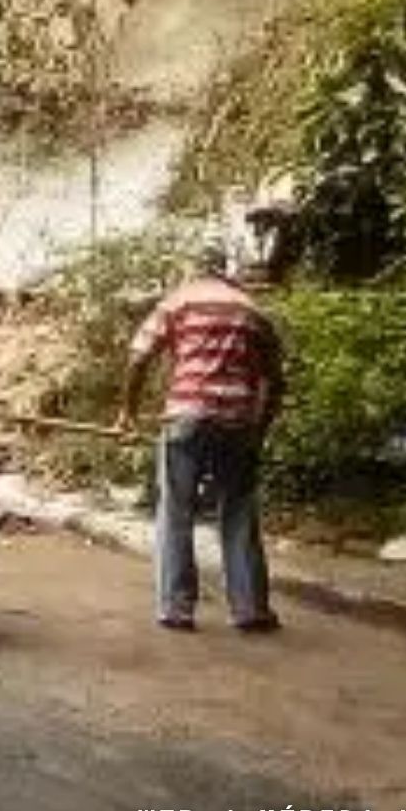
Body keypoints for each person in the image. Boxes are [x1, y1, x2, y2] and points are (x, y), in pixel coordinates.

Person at [116, 239, 285, 632]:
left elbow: (139, 353)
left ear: (195, 270)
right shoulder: (251, 310)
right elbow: (274, 380)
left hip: (187, 417)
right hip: (238, 421)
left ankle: (177, 608)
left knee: (176, 510)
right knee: (239, 511)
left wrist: (128, 410)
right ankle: (250, 609)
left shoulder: (179, 301)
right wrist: (258, 429)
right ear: (227, 271)